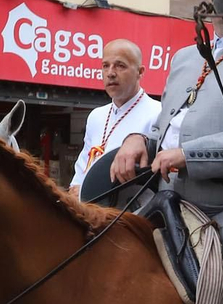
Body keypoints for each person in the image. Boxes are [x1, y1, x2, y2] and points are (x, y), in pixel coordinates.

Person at [107, 29, 223, 304]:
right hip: (167, 201)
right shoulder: (184, 57)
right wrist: (138, 140)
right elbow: (167, 124)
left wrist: (190, 155)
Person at [68, 39, 161, 197]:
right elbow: (83, 163)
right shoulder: (96, 116)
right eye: (105, 66)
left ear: (140, 72)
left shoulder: (159, 113)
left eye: (120, 65)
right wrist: (76, 187)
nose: (110, 73)